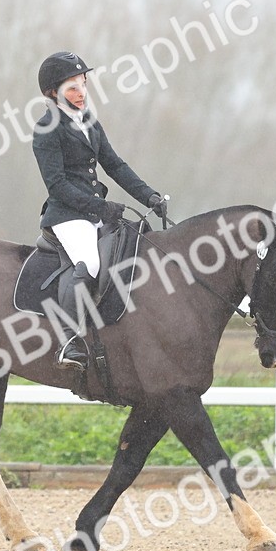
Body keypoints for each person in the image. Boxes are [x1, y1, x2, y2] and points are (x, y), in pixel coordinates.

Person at [32, 51, 167, 371]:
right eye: (72, 87)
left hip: (92, 213)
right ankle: (68, 339)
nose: (80, 93)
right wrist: (101, 207)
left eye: (83, 85)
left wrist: (149, 196)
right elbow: (57, 185)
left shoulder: (89, 122)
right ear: (54, 92)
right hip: (66, 215)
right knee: (89, 262)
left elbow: (115, 165)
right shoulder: (47, 128)